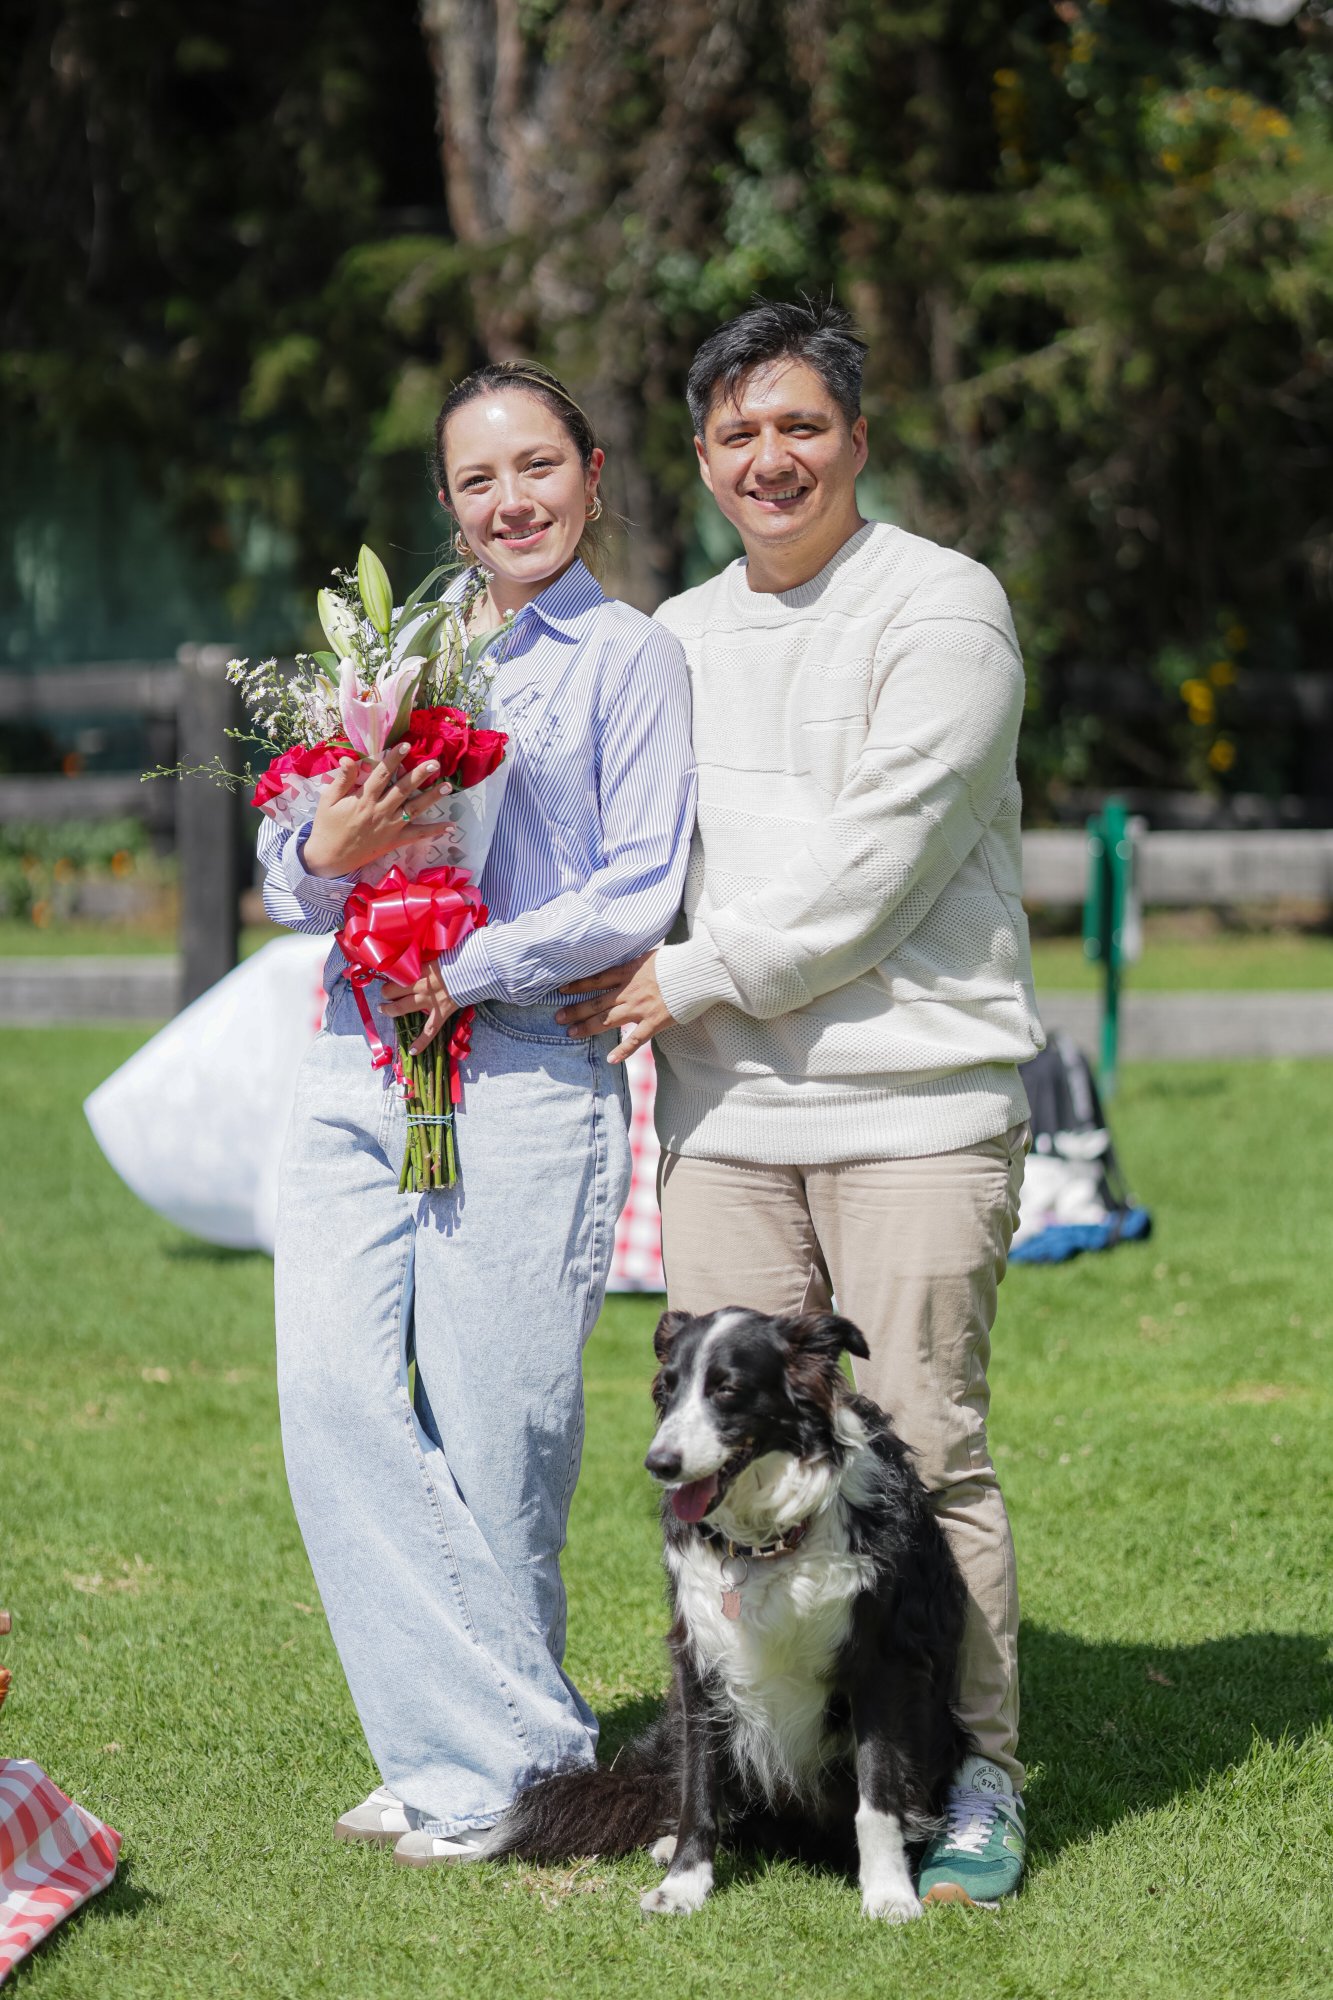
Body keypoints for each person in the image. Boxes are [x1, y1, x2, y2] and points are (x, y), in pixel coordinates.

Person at [558, 299, 1045, 1906]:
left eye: (800, 426)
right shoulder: (676, 638)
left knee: (924, 1455)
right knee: (723, 1461)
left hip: (916, 1106)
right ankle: (767, 1771)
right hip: (728, 1124)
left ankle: (974, 1780)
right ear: (700, 457)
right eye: (736, 433)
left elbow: (875, 867)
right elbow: (619, 847)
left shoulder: (944, 609)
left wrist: (689, 975)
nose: (770, 458)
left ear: (855, 438)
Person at [261, 361, 695, 1864]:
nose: (511, 501)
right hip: (357, 1057)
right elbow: (292, 866)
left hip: (517, 1066)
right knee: (331, 1394)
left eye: (537, 466)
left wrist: (469, 963)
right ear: (447, 504)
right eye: (476, 480)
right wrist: (324, 849)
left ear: (591, 472)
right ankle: (495, 1753)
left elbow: (637, 888)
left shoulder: (630, 658)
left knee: (499, 1433)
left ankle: (476, 1770)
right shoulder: (398, 649)